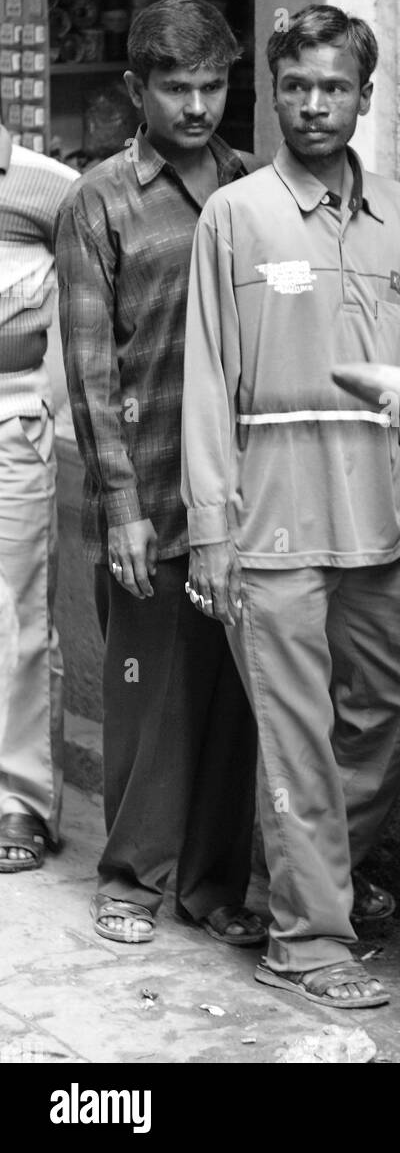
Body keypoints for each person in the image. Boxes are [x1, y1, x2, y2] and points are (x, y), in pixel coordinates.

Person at [181, 3, 400, 1009]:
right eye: (294, 85)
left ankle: (307, 857)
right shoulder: (236, 216)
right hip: (269, 526)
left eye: (333, 86)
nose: (312, 104)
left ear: (363, 98)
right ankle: (309, 940)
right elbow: (207, 378)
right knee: (293, 734)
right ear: (273, 93)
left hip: (380, 521)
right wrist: (211, 524)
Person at [55, 0, 264, 947]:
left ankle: (213, 885)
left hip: (238, 492)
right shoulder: (100, 198)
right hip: (144, 480)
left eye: (212, 84)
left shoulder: (250, 187)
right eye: (175, 86)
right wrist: (123, 509)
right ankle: (131, 879)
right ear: (137, 89)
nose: (195, 104)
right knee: (147, 686)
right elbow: (93, 368)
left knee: (229, 700)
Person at [0, 124, 78, 871]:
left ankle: (18, 803)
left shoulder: (48, 186)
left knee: (16, 613)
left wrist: (46, 405)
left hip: (10, 423)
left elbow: (87, 298)